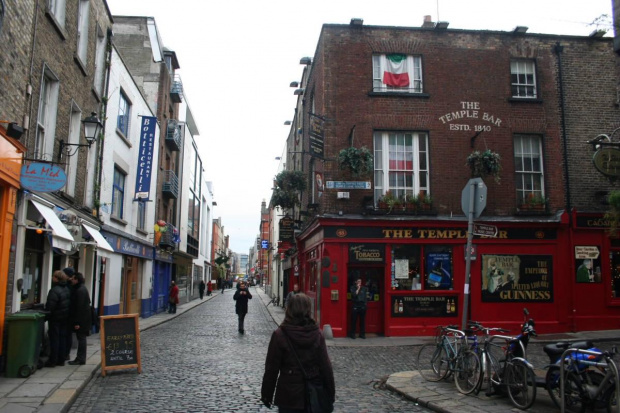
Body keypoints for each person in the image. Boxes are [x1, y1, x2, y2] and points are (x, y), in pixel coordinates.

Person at [261, 293, 335, 412]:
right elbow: (326, 367)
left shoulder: (280, 334)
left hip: (288, 395)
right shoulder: (317, 334)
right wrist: (330, 394)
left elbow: (271, 368)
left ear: (289, 309)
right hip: (312, 395)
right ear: (308, 310)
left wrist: (266, 395)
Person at [44, 270, 71, 367]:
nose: (52, 278)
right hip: (64, 317)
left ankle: (53, 360)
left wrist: (47, 315)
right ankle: (61, 359)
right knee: (62, 338)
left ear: (56, 278)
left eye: (53, 276)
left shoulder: (54, 290)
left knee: (54, 339)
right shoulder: (66, 289)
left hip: (55, 318)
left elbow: (50, 305)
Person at [68, 272, 91, 365]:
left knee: (81, 338)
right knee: (82, 338)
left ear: (77, 280)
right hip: (84, 318)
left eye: (73, 279)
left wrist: (77, 322)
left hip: (82, 320)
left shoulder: (80, 290)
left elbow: (79, 307)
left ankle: (80, 358)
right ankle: (80, 358)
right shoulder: (82, 289)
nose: (71, 280)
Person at [62, 267, 75, 362]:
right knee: (67, 334)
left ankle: (65, 353)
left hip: (67, 314)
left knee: (66, 335)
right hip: (68, 313)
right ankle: (66, 353)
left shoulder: (68, 287)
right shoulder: (73, 286)